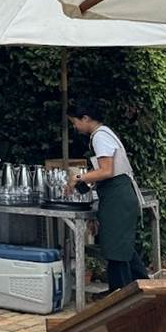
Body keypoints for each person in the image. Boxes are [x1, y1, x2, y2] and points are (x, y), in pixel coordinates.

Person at [68, 99, 149, 290]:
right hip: (118, 195)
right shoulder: (105, 133)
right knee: (123, 248)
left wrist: (78, 177)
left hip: (117, 198)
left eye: (74, 122)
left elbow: (107, 170)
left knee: (116, 251)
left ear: (85, 118)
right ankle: (145, 289)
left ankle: (120, 295)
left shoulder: (99, 137)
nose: (75, 127)